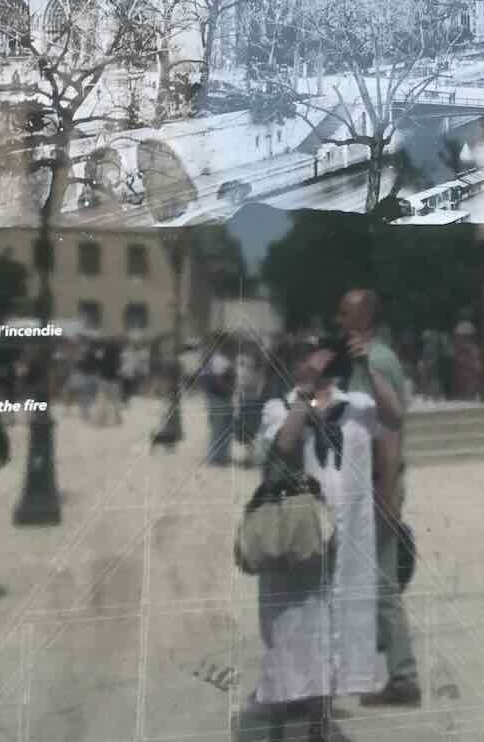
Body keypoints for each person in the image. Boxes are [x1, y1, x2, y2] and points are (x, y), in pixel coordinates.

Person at [253, 341, 402, 742]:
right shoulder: (279, 407)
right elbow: (284, 446)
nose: (319, 362)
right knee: (289, 629)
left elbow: (394, 417)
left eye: (323, 355)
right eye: (308, 357)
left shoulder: (354, 404)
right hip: (298, 539)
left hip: (346, 538)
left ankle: (319, 725)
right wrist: (304, 392)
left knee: (331, 629)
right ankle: (278, 728)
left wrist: (369, 367)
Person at [336, 289, 420, 709]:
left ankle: (404, 678)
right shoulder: (361, 360)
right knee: (370, 580)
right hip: (367, 483)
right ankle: (379, 656)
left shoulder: (377, 361)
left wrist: (387, 494)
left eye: (345, 311)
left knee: (383, 585)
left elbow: (391, 428)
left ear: (364, 317)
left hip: (379, 483)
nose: (339, 317)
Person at [201, 341, 237, 467]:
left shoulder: (214, 359)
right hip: (220, 397)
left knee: (221, 428)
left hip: (218, 397)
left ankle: (220, 457)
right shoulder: (219, 360)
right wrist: (229, 389)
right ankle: (217, 458)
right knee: (220, 428)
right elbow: (218, 381)